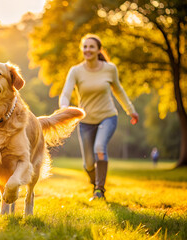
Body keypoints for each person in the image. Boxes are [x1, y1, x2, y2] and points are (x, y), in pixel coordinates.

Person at [59, 34, 139, 200]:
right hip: (85, 121)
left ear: (98, 50)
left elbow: (119, 91)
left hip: (107, 117)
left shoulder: (109, 69)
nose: (88, 50)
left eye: (91, 47)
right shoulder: (76, 71)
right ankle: (96, 184)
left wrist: (130, 110)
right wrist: (64, 109)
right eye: (85, 46)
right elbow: (65, 93)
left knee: (99, 148)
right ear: (82, 49)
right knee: (88, 163)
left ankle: (99, 191)